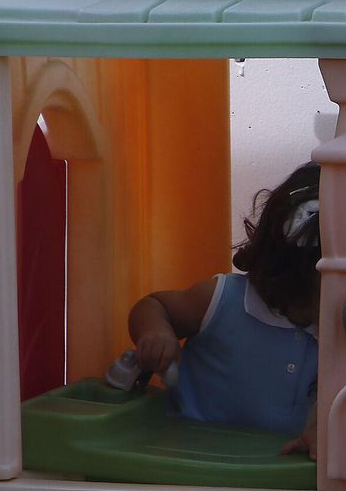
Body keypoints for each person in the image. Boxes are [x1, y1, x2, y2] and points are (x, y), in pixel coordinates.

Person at [127, 162, 324, 456]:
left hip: (276, 470)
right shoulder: (222, 300)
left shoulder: (342, 334)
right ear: (290, 271)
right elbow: (153, 306)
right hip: (189, 462)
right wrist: (156, 334)